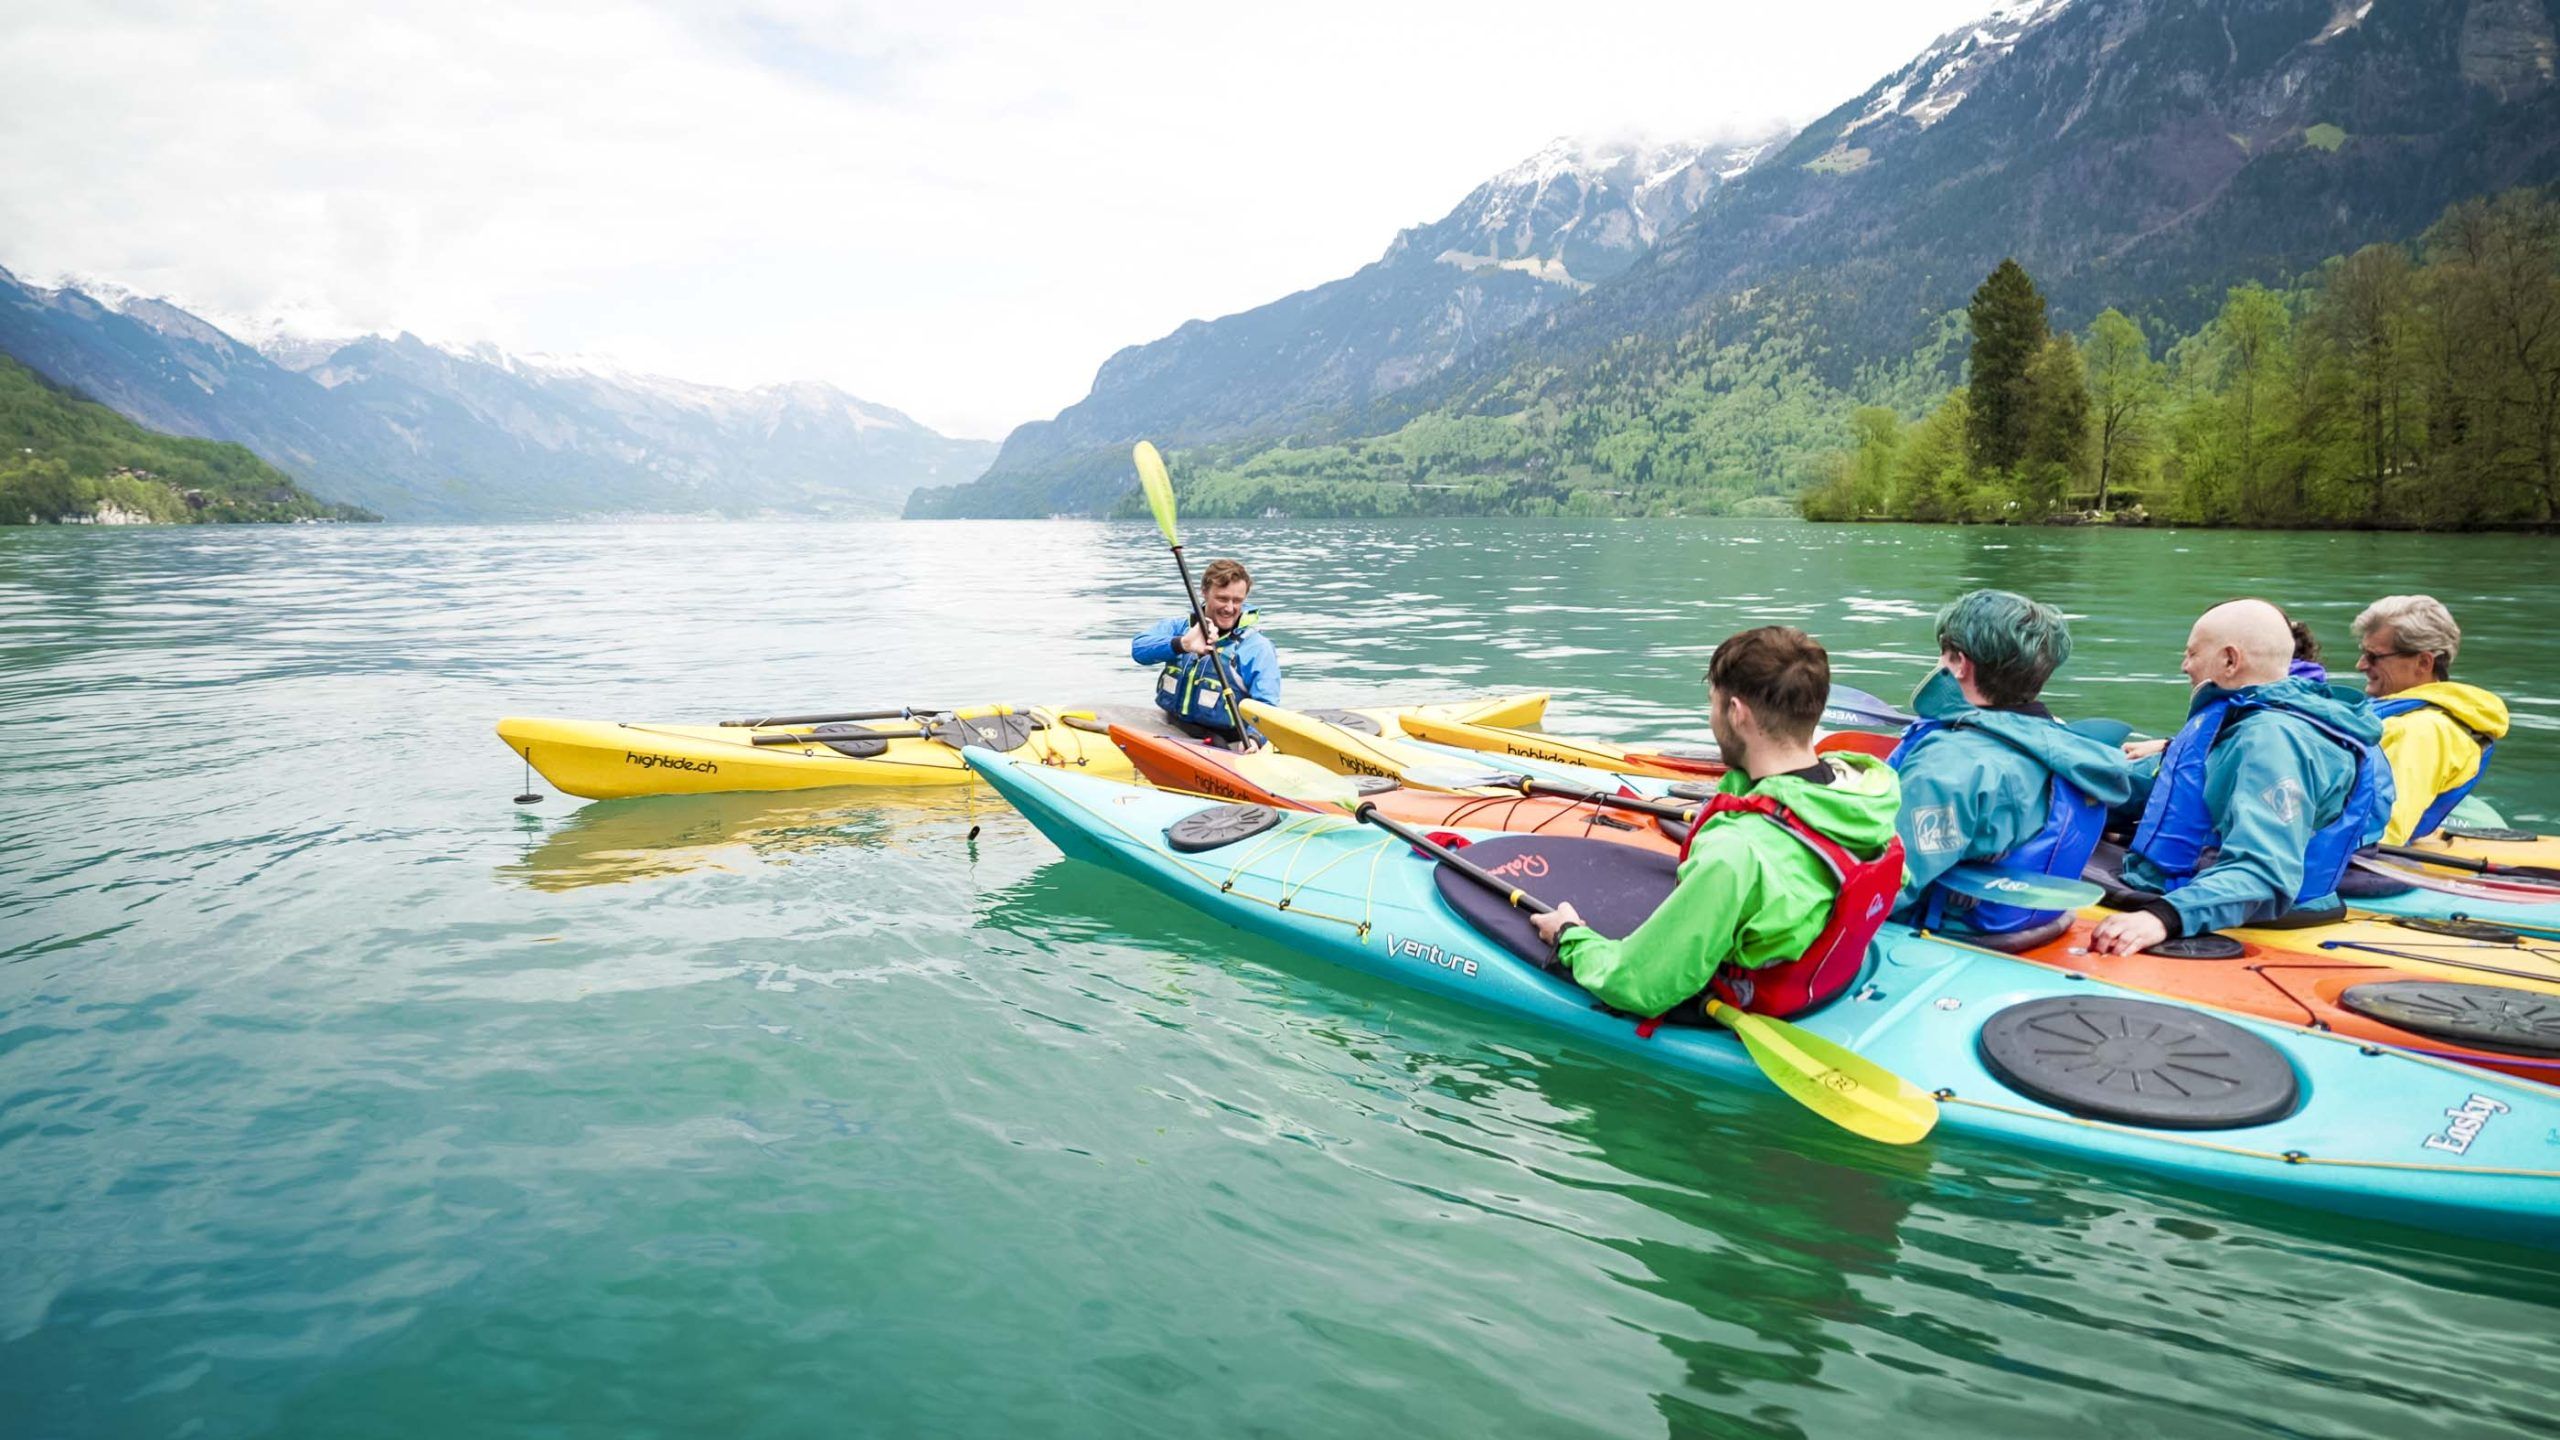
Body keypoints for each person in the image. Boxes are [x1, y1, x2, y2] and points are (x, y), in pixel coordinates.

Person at [1528, 626, 1904, 1019]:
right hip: (1830, 977)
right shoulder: (1867, 794)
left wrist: (1571, 937)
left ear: (1737, 714)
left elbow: (1638, 986)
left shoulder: (1735, 852)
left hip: (1755, 1001)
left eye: (1713, 703)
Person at [2090, 599, 2390, 955]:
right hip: (2196, 882)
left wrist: (2162, 918)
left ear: (2230, 660)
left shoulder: (2269, 741)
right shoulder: (2249, 716)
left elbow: (2263, 872)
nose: (2185, 665)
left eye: (2192, 653)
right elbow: (2154, 782)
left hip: (2233, 906)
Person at [1886, 590, 2135, 944]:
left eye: (1943, 652)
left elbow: (1889, 882)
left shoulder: (1949, 766)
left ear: (1959, 662)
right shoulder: (2066, 745)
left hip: (1952, 929)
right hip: (2039, 924)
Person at [2352, 594, 2509, 845]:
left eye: (2374, 656)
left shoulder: (2421, 732)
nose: (2360, 664)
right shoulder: (2418, 718)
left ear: (2423, 662)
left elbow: (2382, 834)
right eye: (2363, 653)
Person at [1130, 557, 1281, 747]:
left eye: (1237, 601)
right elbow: (1138, 649)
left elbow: (1266, 705)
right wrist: (1182, 644)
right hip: (1173, 727)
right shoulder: (1180, 628)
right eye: (1222, 598)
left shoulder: (1257, 647)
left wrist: (1254, 738)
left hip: (1226, 740)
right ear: (1204, 593)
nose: (1229, 608)